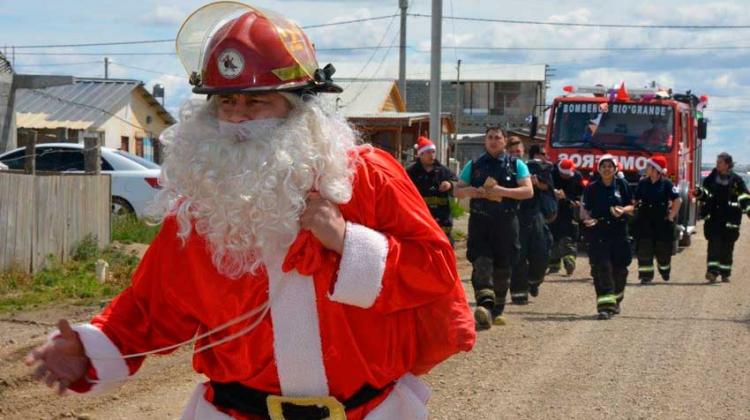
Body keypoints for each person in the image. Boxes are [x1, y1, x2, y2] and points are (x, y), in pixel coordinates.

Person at [23, 4, 476, 419]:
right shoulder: (204, 205)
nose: (237, 117)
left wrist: (347, 241)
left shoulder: (369, 177)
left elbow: (436, 274)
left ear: (299, 107)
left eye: (255, 101)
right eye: (227, 101)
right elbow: (151, 306)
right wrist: (89, 348)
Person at [455, 127, 533, 329]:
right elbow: (457, 189)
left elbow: (527, 191)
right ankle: (484, 306)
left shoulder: (516, 165)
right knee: (481, 262)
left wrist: (501, 191)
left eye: (497, 138)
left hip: (506, 223)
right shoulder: (474, 165)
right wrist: (469, 191)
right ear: (485, 141)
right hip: (480, 222)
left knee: (502, 268)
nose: (493, 141)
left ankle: (497, 309)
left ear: (505, 141)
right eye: (489, 138)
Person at [581, 155, 634, 320]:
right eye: (603, 166)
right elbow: (585, 209)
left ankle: (616, 300)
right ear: (599, 169)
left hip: (619, 234)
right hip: (599, 234)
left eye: (610, 166)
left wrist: (623, 210)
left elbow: (632, 206)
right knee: (601, 268)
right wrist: (586, 219)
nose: (606, 169)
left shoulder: (622, 185)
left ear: (615, 169)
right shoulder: (592, 188)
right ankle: (604, 307)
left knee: (620, 270)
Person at [509, 142, 556, 304]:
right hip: (514, 216)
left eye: (518, 151)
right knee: (517, 255)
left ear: (524, 152)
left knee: (541, 253)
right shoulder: (505, 168)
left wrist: (537, 183)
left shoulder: (539, 169)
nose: (515, 154)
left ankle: (534, 281)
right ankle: (519, 293)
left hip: (535, 215)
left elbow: (548, 188)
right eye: (512, 151)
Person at [696, 152, 750, 283]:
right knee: (713, 246)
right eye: (717, 162)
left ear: (727, 164)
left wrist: (748, 209)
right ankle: (712, 273)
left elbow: (744, 197)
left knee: (727, 248)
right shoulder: (711, 178)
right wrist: (699, 193)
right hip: (714, 219)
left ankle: (725, 272)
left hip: (731, 220)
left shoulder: (736, 180)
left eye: (719, 162)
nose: (717, 164)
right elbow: (706, 193)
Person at [633, 156, 682, 284]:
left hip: (662, 223)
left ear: (656, 169)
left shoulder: (667, 184)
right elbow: (635, 199)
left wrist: (671, 216)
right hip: (645, 221)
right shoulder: (642, 183)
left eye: (649, 166)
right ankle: (645, 276)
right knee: (644, 249)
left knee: (663, 251)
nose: (646, 168)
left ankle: (664, 270)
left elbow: (678, 200)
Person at [406, 136, 459, 245]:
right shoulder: (411, 173)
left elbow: (458, 183)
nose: (432, 155)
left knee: (444, 248)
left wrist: (449, 184)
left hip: (443, 220)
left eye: (433, 152)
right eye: (428, 152)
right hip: (421, 219)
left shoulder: (443, 171)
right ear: (421, 154)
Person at [548, 159, 584, 276]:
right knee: (553, 236)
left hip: (570, 209)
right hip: (553, 208)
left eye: (569, 174)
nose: (567, 176)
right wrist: (553, 193)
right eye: (565, 174)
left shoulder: (577, 176)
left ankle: (569, 261)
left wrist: (578, 201)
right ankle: (553, 264)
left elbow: (581, 192)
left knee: (569, 235)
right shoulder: (552, 174)